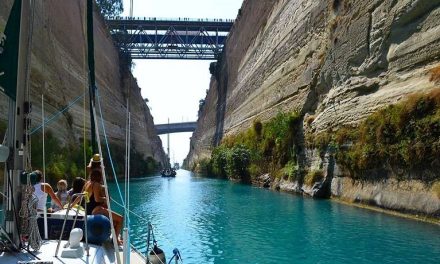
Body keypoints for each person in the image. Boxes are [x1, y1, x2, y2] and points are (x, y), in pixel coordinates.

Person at [84, 169, 124, 245]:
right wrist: (105, 198)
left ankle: (115, 238)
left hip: (88, 210)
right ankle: (116, 241)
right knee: (120, 218)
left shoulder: (88, 183)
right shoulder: (96, 185)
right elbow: (97, 199)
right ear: (99, 176)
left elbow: (87, 198)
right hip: (96, 209)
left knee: (114, 221)